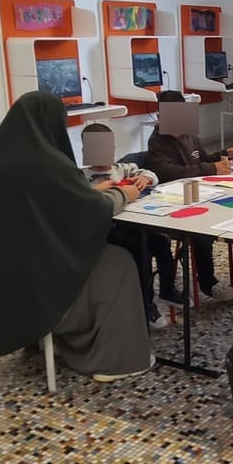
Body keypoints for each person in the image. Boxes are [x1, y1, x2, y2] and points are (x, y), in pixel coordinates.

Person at [0, 91, 152, 383]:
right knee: (117, 262)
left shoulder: (0, 157)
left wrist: (87, 193)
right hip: (24, 292)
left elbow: (48, 204)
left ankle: (58, 342)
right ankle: (116, 359)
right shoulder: (44, 162)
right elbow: (88, 212)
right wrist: (123, 193)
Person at [147, 90, 233, 302]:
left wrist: (226, 153)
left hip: (206, 193)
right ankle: (208, 283)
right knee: (201, 232)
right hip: (177, 203)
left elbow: (203, 159)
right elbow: (168, 173)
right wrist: (211, 168)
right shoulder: (157, 142)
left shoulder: (189, 135)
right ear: (161, 117)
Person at [81, 122, 181, 329]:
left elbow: (152, 174)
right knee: (140, 251)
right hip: (108, 230)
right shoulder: (82, 178)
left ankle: (168, 290)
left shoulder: (123, 169)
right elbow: (80, 201)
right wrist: (98, 190)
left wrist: (144, 178)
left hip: (135, 223)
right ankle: (146, 305)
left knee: (161, 241)